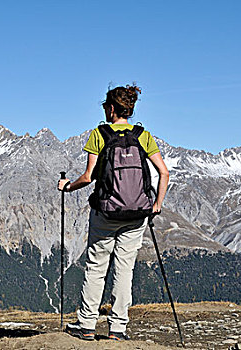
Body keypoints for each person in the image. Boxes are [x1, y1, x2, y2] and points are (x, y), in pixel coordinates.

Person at [57, 84, 169, 341]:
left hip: (106, 213)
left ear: (111, 108)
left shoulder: (100, 134)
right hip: (137, 215)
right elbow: (164, 173)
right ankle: (117, 329)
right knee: (124, 270)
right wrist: (156, 205)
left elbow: (88, 177)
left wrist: (68, 187)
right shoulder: (143, 136)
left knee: (96, 267)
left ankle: (86, 325)